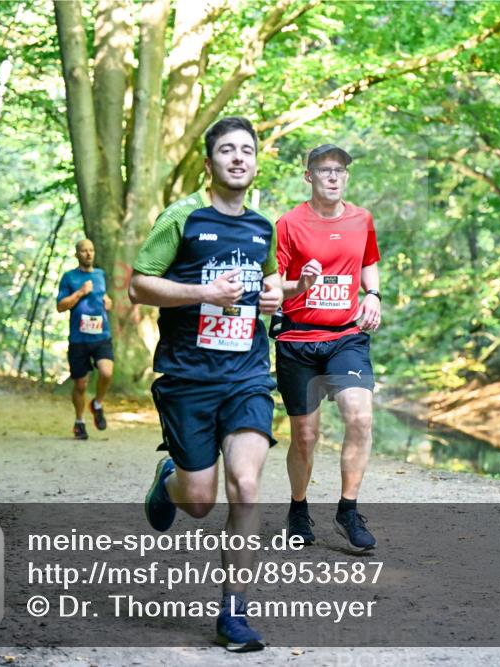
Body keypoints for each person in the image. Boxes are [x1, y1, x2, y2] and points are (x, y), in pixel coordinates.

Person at [129, 116, 282, 652]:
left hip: (246, 376)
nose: (238, 158)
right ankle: (168, 476)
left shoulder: (265, 227)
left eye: (246, 150)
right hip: (189, 377)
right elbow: (138, 286)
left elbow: (270, 280)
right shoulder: (183, 217)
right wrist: (202, 294)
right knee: (198, 501)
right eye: (227, 151)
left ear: (255, 162)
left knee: (246, 484)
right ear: (209, 162)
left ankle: (234, 613)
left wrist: (272, 296)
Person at [274, 144, 382, 553]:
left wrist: (373, 294)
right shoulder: (288, 224)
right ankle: (298, 509)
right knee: (305, 435)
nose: (333, 177)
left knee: (359, 416)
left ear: (346, 177)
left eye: (340, 170)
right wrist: (299, 283)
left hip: (345, 337)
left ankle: (348, 510)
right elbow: (273, 285)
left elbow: (369, 260)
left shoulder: (362, 220)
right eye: (324, 171)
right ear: (309, 177)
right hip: (298, 339)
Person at [57, 239, 114, 440]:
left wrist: (108, 302)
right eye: (84, 251)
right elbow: (61, 306)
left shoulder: (100, 275)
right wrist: (80, 292)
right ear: (77, 254)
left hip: (101, 335)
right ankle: (79, 422)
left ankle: (97, 403)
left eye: (91, 250)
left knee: (106, 372)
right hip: (79, 338)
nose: (89, 254)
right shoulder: (69, 277)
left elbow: (103, 297)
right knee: (80, 385)